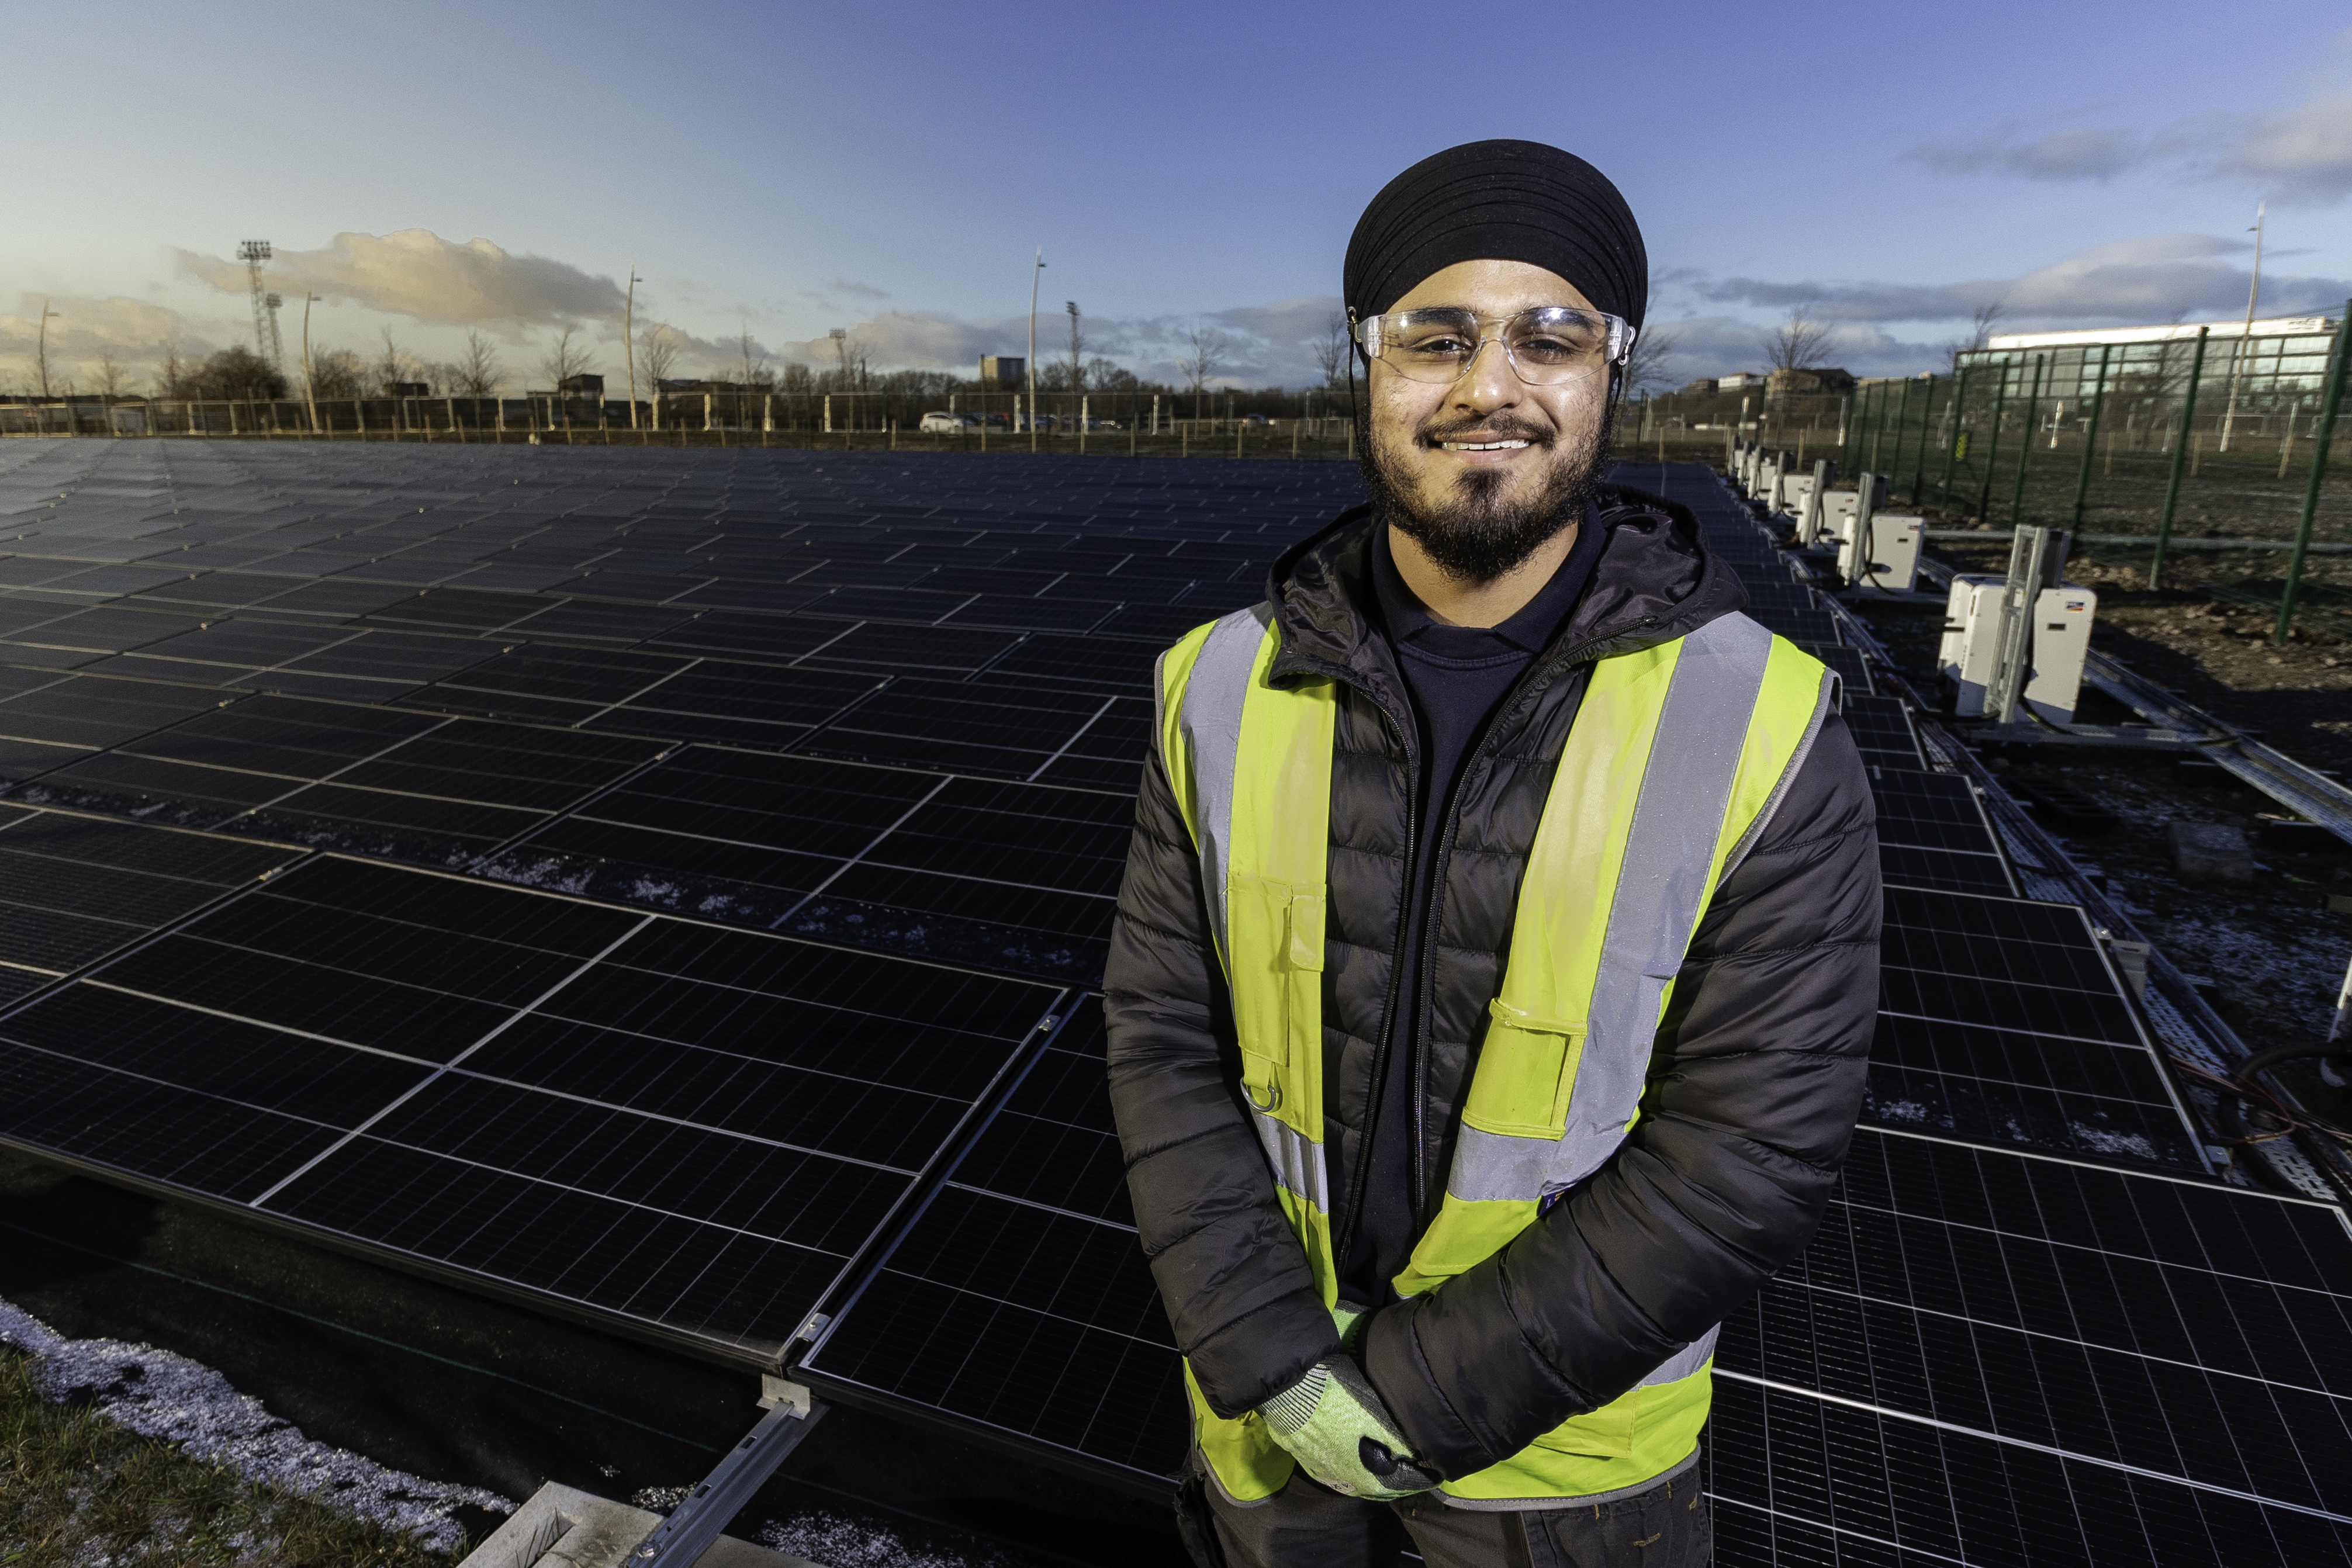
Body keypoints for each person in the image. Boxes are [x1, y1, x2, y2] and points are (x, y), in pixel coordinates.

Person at [1104, 140, 1880, 1568]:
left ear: (1610, 371)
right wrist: (1268, 1355)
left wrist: (1399, 1403)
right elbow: (1160, 1037)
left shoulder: (1760, 721)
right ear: (1365, 362)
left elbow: (1750, 1142)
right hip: (1268, 1436)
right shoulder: (1211, 683)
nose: (1488, 386)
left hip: (1565, 1476)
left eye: (1549, 335)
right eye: (1434, 335)